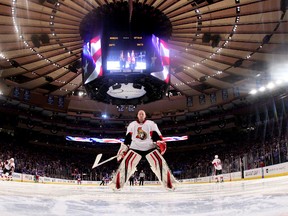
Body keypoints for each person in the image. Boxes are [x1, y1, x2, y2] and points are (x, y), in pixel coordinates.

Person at [110, 110, 177, 191]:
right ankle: (117, 185)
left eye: (143, 113)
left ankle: (169, 185)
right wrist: (124, 150)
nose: (141, 115)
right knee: (126, 163)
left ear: (145, 115)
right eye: (139, 113)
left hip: (150, 147)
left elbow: (157, 136)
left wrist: (160, 142)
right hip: (135, 147)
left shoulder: (151, 124)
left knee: (160, 163)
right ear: (137, 115)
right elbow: (127, 139)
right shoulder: (132, 125)